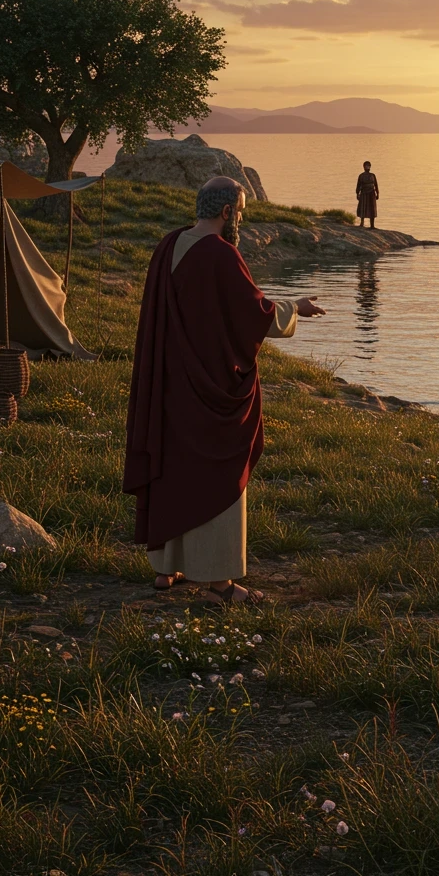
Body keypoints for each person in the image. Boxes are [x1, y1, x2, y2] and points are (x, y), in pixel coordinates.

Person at [122, 176, 325, 606]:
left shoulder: (168, 245)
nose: (241, 219)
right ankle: (219, 585)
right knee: (215, 475)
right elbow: (254, 314)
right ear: (228, 211)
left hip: (170, 383)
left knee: (175, 470)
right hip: (209, 388)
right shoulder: (221, 254)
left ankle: (166, 568)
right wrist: (297, 308)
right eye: (242, 211)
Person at [356, 161, 379, 228]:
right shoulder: (361, 176)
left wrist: (377, 193)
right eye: (366, 166)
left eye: (368, 166)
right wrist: (357, 193)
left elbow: (376, 185)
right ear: (364, 167)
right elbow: (358, 185)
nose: (367, 167)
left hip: (372, 193)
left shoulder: (372, 175)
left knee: (372, 208)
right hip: (364, 192)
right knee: (363, 207)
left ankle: (372, 225)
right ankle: (362, 223)